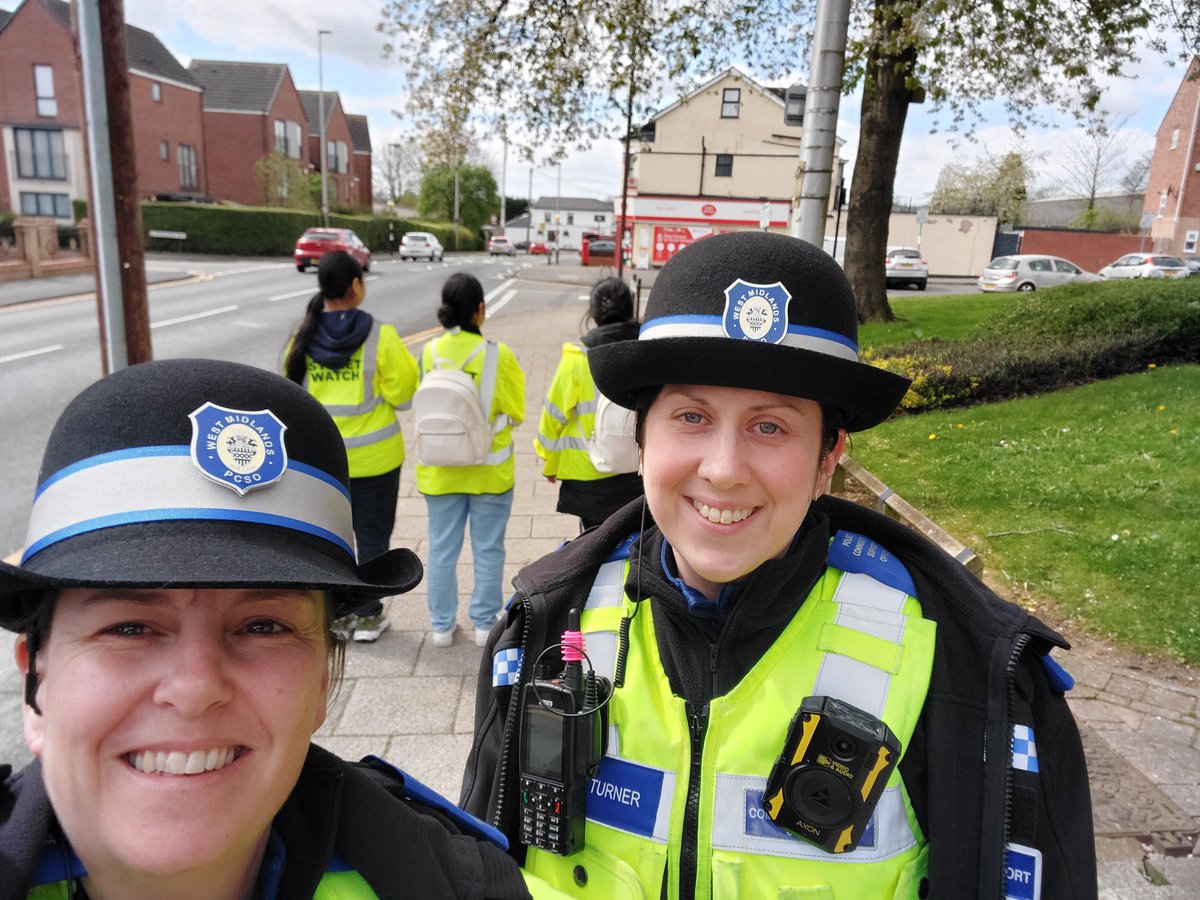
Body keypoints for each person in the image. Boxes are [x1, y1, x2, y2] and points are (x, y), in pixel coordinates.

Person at [460, 232, 1096, 899]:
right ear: (642, 441)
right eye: (692, 416)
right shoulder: (539, 628)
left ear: (829, 458)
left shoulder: (974, 672)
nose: (724, 470)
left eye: (771, 427)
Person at [0, 358, 531, 900]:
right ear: (35, 685)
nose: (195, 688)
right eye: (130, 628)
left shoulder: (461, 883)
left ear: (325, 681)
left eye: (261, 625)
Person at [284, 250, 419, 642]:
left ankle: (337, 617)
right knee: (374, 538)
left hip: (323, 459)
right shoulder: (379, 335)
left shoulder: (303, 335)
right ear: (356, 285)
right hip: (377, 457)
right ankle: (369, 617)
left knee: (330, 537)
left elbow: (290, 392)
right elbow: (404, 392)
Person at [417, 273, 526, 648]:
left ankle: (441, 627)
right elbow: (516, 411)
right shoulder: (499, 355)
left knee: (441, 549)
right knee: (488, 548)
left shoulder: (429, 352)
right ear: (480, 310)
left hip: (440, 470)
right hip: (489, 472)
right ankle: (484, 623)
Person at [534, 277, 643, 530]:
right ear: (630, 309)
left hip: (589, 477)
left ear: (593, 313)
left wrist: (549, 461)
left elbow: (553, 416)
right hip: (639, 474)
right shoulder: (648, 352)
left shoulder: (577, 358)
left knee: (592, 545)